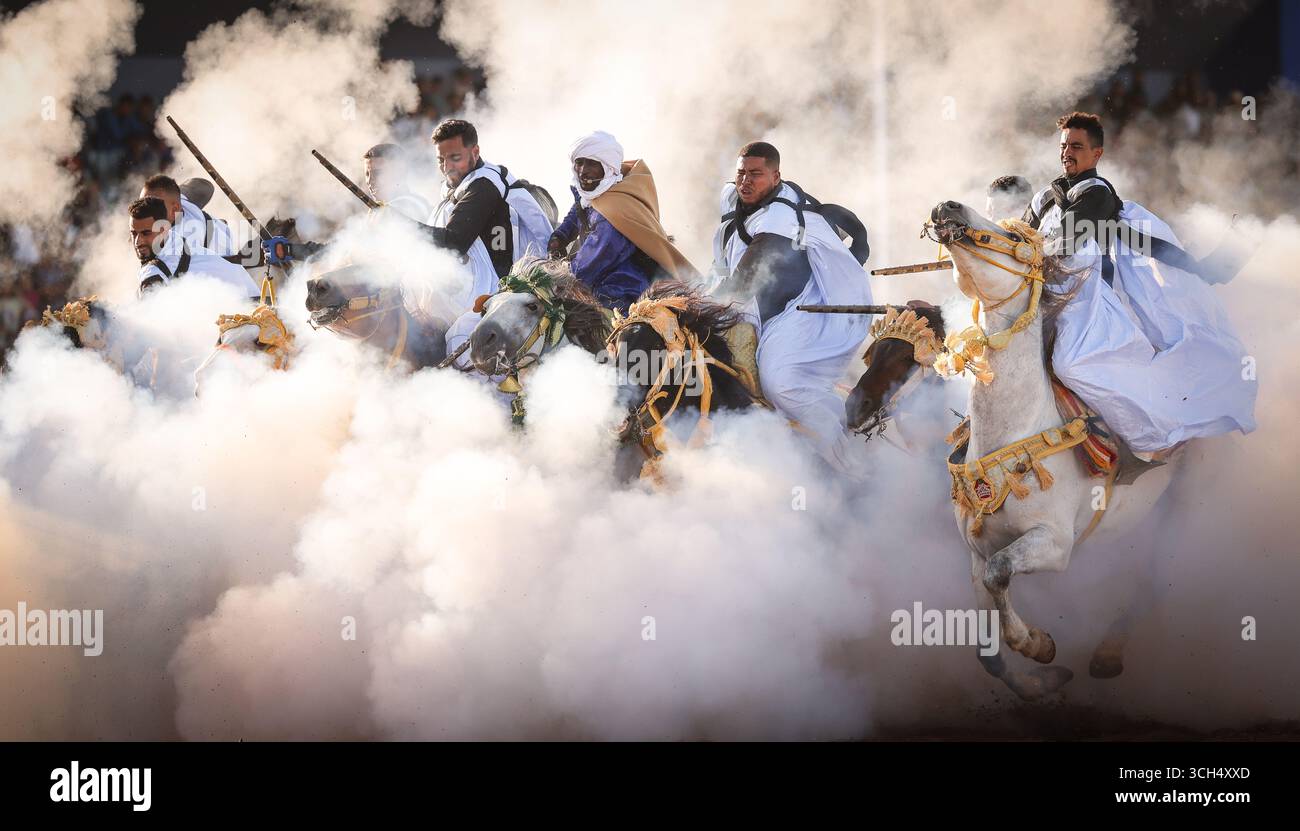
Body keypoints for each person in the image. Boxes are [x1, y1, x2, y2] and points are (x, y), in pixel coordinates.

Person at [1023, 111, 1255, 456]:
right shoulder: (1044, 197)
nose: (1066, 152)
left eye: (1076, 146)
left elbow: (1067, 239)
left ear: (1096, 154)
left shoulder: (1096, 193)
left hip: (1084, 301)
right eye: (1063, 145)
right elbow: (1019, 235)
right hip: (1036, 293)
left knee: (1071, 364)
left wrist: (1026, 255)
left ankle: (1146, 439)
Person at [710, 141, 873, 475]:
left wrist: (690, 303)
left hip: (802, 312)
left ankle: (850, 464)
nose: (745, 181)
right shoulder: (737, 198)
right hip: (760, 312)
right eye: (741, 173)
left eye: (756, 174)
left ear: (776, 176)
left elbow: (742, 283)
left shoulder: (781, 217)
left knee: (781, 384)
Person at [546, 131, 698, 312]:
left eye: (592, 164)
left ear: (607, 168)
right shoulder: (595, 189)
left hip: (621, 295)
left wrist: (551, 278)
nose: (583, 170)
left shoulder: (611, 214)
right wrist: (560, 237)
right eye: (579, 162)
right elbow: (580, 208)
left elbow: (583, 270)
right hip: (597, 285)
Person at [425, 119, 554, 307]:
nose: (446, 167)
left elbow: (454, 242)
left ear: (475, 152)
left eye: (455, 158)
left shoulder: (484, 184)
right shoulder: (461, 184)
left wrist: (398, 224)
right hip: (487, 293)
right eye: (440, 160)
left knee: (456, 336)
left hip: (508, 296)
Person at [130, 197, 258, 297]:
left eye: (146, 233)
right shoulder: (176, 240)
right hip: (256, 305)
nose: (138, 241)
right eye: (133, 233)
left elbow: (148, 320)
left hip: (249, 318)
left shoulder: (155, 270)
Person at [139, 173, 238, 257]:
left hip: (220, 257)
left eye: (153, 206)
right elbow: (204, 186)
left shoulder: (177, 242)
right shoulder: (178, 201)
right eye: (142, 204)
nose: (144, 210)